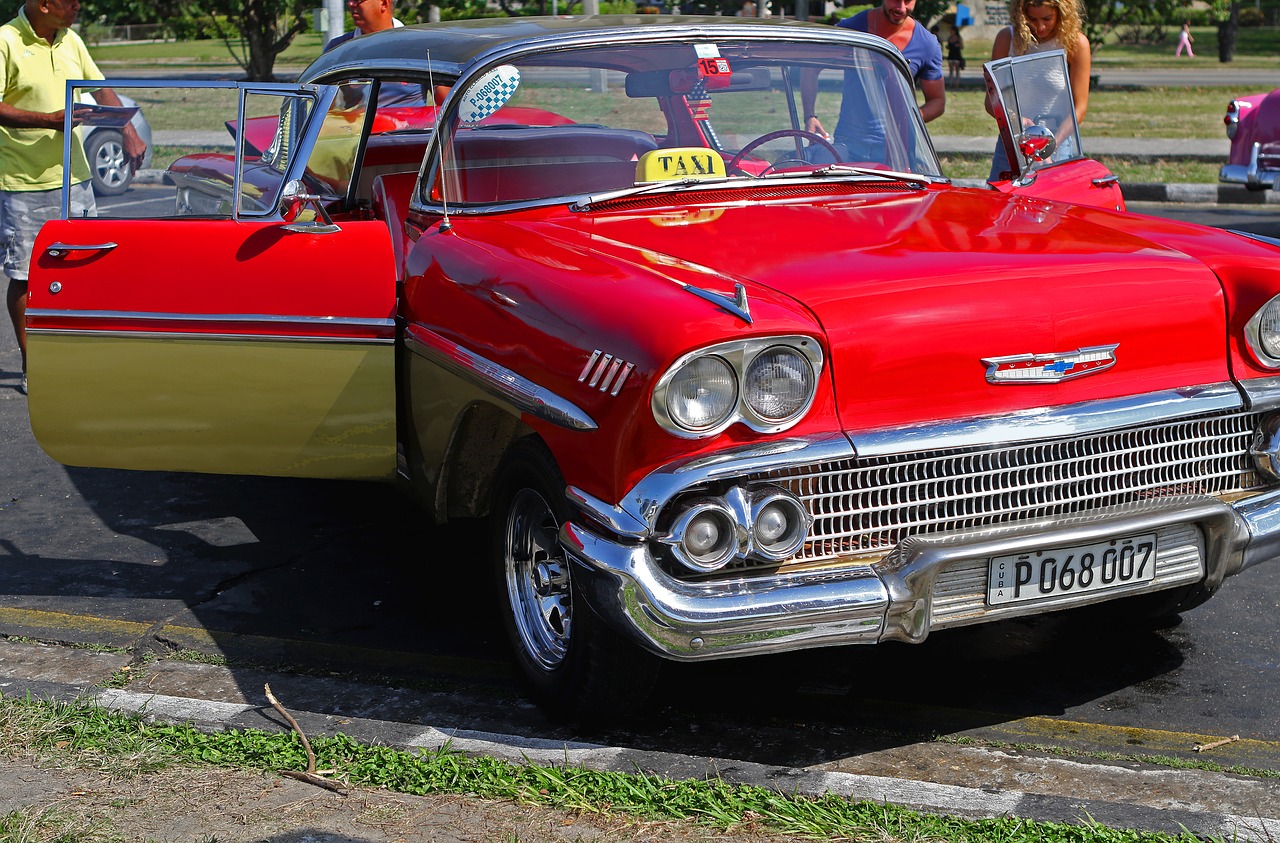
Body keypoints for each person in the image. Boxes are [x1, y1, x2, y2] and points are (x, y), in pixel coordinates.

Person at [1, 0, 145, 396]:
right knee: (26, 275)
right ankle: (34, 364)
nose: (78, 7)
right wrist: (48, 121)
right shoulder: (6, 41)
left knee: (85, 268)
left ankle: (79, 357)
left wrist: (128, 131)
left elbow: (99, 88)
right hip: (24, 180)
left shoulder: (71, 40)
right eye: (70, 2)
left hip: (75, 178)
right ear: (44, 4)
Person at [985, 0, 1090, 180]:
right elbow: (990, 102)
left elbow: (1079, 109)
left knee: (1052, 204)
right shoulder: (1007, 38)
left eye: (1047, 18)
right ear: (1021, 14)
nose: (1040, 26)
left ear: (1061, 13)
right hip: (1015, 141)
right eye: (1031, 18)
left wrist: (1050, 146)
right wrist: (1016, 120)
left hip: (1057, 140)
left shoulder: (1076, 43)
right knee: (1003, 203)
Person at [805, 0, 945, 131]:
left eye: (908, 1)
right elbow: (810, 65)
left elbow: (937, 101)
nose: (901, 8)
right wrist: (809, 116)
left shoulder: (926, 43)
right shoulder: (853, 28)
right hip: (850, 138)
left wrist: (910, 120)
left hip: (899, 147)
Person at [324, 0, 403, 52]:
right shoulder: (336, 49)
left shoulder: (412, 46)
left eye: (357, 0)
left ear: (384, 3)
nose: (350, 4)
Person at [946, 24, 964, 88]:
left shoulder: (959, 38)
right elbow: (948, 45)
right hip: (951, 54)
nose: (951, 31)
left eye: (952, 30)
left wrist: (958, 45)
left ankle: (957, 82)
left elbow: (962, 46)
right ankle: (950, 82)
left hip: (957, 55)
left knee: (957, 69)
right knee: (951, 69)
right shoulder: (949, 38)